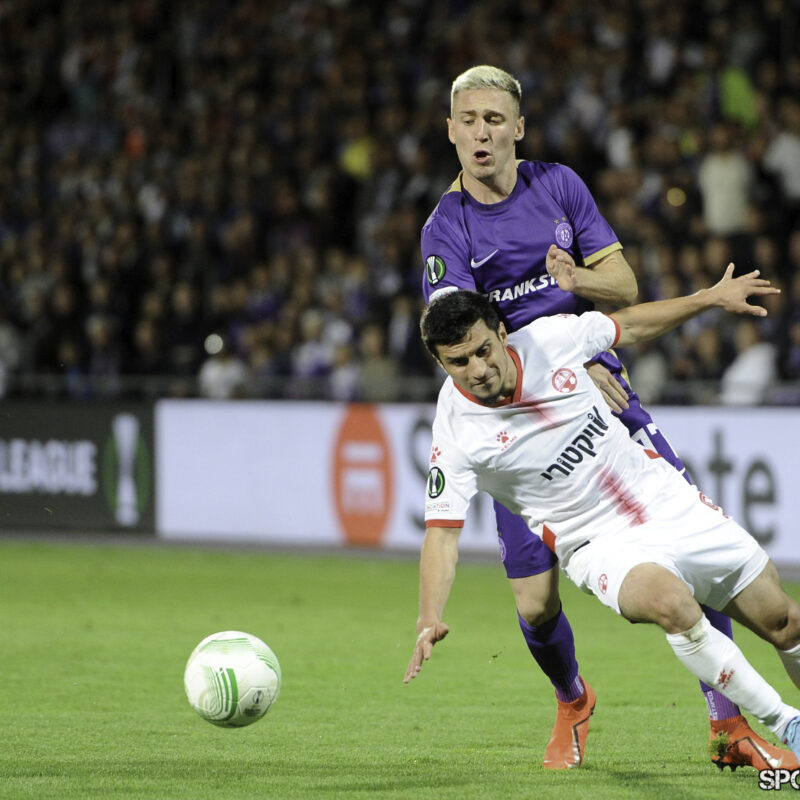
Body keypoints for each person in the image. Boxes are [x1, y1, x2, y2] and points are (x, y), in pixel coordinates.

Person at [419, 63, 775, 770]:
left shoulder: (560, 185)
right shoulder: (445, 230)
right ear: (451, 131)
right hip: (521, 423)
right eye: (469, 121)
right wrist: (558, 360)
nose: (482, 133)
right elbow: (460, 336)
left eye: (496, 119)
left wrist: (577, 283)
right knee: (535, 608)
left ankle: (728, 724)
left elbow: (625, 285)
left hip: (599, 392)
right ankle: (573, 697)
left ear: (518, 127)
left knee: (700, 555)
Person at [404, 259, 800, 771]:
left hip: (663, 499)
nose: (478, 370)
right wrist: (428, 615)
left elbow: (629, 325)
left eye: (484, 350)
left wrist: (707, 297)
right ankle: (785, 722)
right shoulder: (456, 433)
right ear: (441, 363)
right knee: (671, 604)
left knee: (786, 623)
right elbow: (441, 534)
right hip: (596, 543)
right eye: (459, 362)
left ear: (502, 333)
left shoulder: (549, 339)